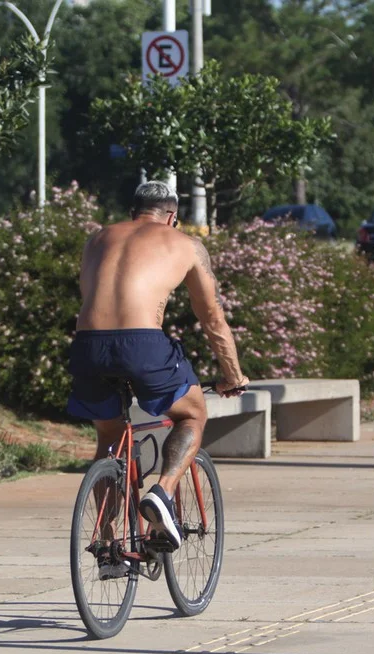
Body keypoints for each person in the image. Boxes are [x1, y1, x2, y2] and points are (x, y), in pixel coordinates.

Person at [68, 180, 248, 553]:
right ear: (172, 217)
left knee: (109, 438)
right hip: (142, 343)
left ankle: (106, 543)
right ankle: (163, 493)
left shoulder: (98, 238)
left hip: (87, 345)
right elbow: (212, 317)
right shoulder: (184, 243)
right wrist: (232, 375)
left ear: (134, 212)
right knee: (193, 414)